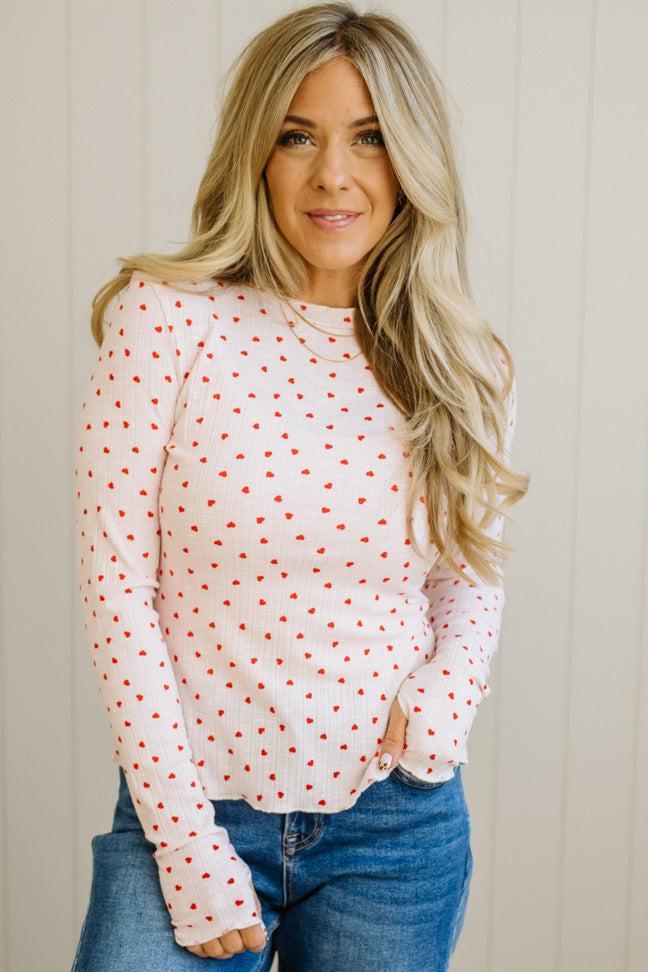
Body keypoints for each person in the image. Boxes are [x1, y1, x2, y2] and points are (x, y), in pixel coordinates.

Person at [71, 3, 529, 969]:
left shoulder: (465, 362)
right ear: (256, 154)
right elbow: (118, 594)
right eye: (297, 136)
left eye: (368, 138)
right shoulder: (166, 321)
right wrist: (187, 844)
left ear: (410, 159)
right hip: (188, 814)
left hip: (392, 829)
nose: (334, 174)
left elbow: (467, 577)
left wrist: (447, 700)